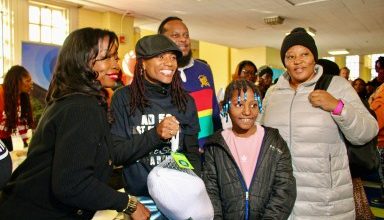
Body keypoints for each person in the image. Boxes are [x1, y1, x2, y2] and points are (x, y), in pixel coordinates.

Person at [0, 27, 159, 220]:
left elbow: (105, 156)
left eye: (115, 57)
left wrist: (154, 136)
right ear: (81, 61)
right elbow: (72, 184)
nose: (115, 65)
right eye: (106, 57)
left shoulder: (79, 101)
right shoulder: (81, 107)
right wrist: (127, 203)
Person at [258, 27, 378, 219]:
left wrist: (337, 107)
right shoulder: (273, 93)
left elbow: (367, 131)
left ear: (314, 58)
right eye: (290, 56)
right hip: (281, 198)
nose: (298, 61)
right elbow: (259, 136)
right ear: (285, 62)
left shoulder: (337, 85)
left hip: (325, 201)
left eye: (304, 54)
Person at [110, 34, 201, 219]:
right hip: (141, 202)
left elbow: (192, 153)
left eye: (173, 57)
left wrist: (193, 191)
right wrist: (155, 135)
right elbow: (117, 154)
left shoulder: (186, 101)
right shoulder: (123, 98)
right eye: (160, 56)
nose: (169, 63)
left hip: (179, 198)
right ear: (142, 63)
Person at [203, 79, 296, 219]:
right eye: (239, 104)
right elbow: (211, 192)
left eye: (253, 105)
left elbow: (284, 189)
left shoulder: (274, 142)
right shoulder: (215, 145)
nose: (247, 111)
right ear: (226, 107)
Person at [158, 16, 222, 150]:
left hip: (208, 151)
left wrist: (218, 144)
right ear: (161, 41)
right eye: (176, 35)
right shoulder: (159, 74)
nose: (183, 39)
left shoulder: (204, 69)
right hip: (174, 154)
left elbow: (214, 111)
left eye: (186, 35)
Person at [0, 65, 34, 151]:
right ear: (17, 81)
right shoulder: (1, 93)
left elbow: (21, 124)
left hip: (11, 140)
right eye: (28, 81)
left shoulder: (22, 96)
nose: (31, 83)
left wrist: (25, 145)